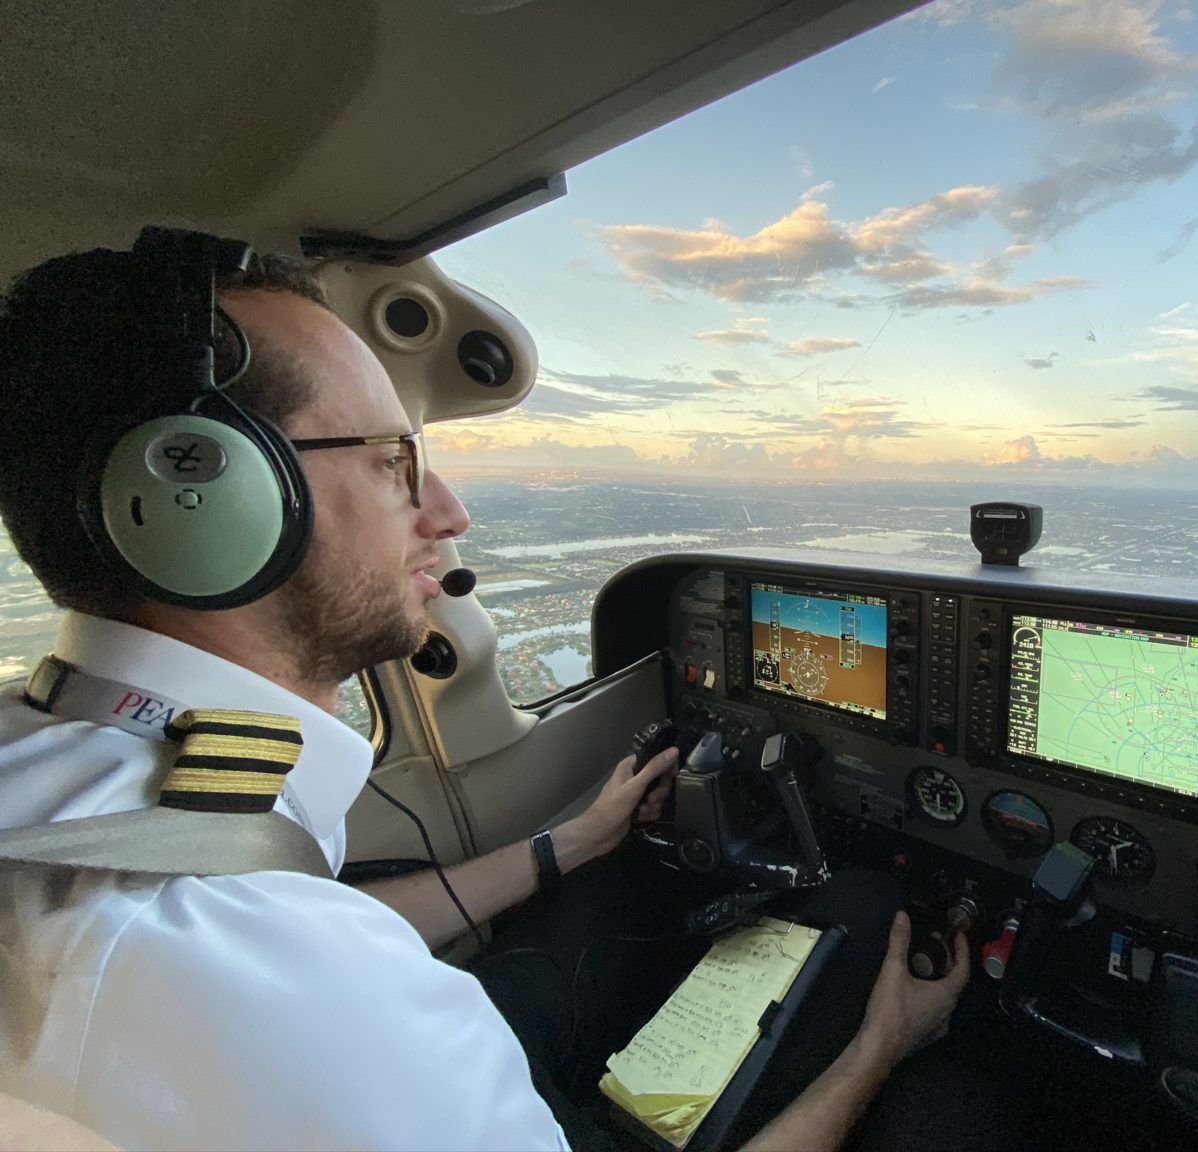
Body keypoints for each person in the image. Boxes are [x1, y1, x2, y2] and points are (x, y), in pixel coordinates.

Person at [0, 237, 969, 1150]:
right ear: (203, 503)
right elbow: (303, 957)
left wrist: (573, 842)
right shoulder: (280, 987)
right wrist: (884, 1046)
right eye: (393, 462)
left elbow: (306, 917)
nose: (449, 512)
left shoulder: (68, 770)